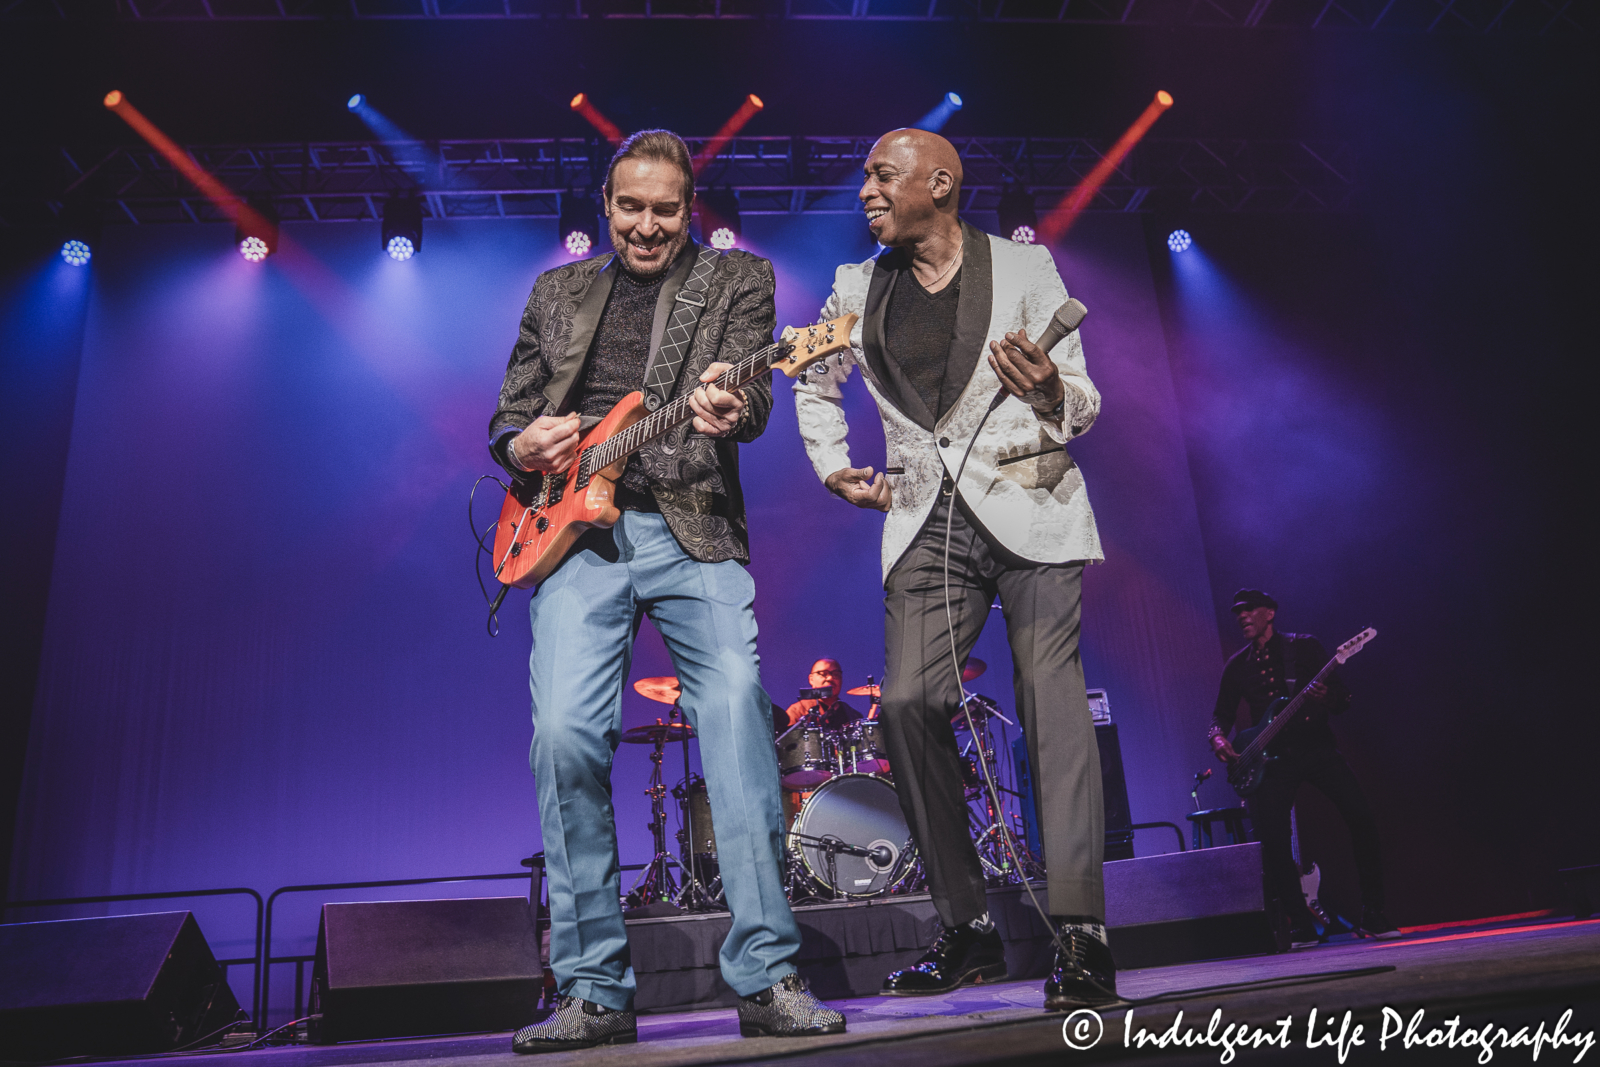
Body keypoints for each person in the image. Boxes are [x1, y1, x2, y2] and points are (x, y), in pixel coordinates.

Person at [488, 129, 844, 1052]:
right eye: (631, 207)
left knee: (733, 719)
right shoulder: (555, 290)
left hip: (693, 525)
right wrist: (521, 445)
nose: (648, 225)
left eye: (666, 209)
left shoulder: (736, 280)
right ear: (605, 206)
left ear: (693, 209)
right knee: (563, 737)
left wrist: (735, 400)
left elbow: (752, 400)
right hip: (573, 536)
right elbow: (512, 411)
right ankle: (593, 990)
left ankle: (768, 974)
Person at [792, 128, 1115, 1009]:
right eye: (864, 176)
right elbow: (813, 383)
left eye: (881, 176)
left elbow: (1081, 402)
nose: (865, 190)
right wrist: (831, 464)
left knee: (1051, 706)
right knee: (904, 703)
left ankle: (1081, 934)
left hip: (1033, 505)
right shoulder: (856, 289)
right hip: (924, 520)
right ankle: (967, 928)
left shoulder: (1025, 266)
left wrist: (1049, 386)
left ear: (939, 184)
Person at [1207, 589, 1398, 946]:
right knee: (1273, 842)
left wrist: (1328, 697)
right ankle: (1300, 924)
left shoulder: (1305, 647)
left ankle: (1374, 912)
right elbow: (1220, 715)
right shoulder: (1237, 665)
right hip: (1270, 761)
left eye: (1249, 610)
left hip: (1316, 749)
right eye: (1238, 612)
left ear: (1270, 613)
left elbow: (1343, 698)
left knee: (1361, 819)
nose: (1242, 617)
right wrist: (1218, 738)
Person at [782, 658, 863, 731]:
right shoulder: (797, 711)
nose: (830, 678)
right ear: (811, 679)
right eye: (823, 674)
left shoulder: (853, 715)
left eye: (836, 674)